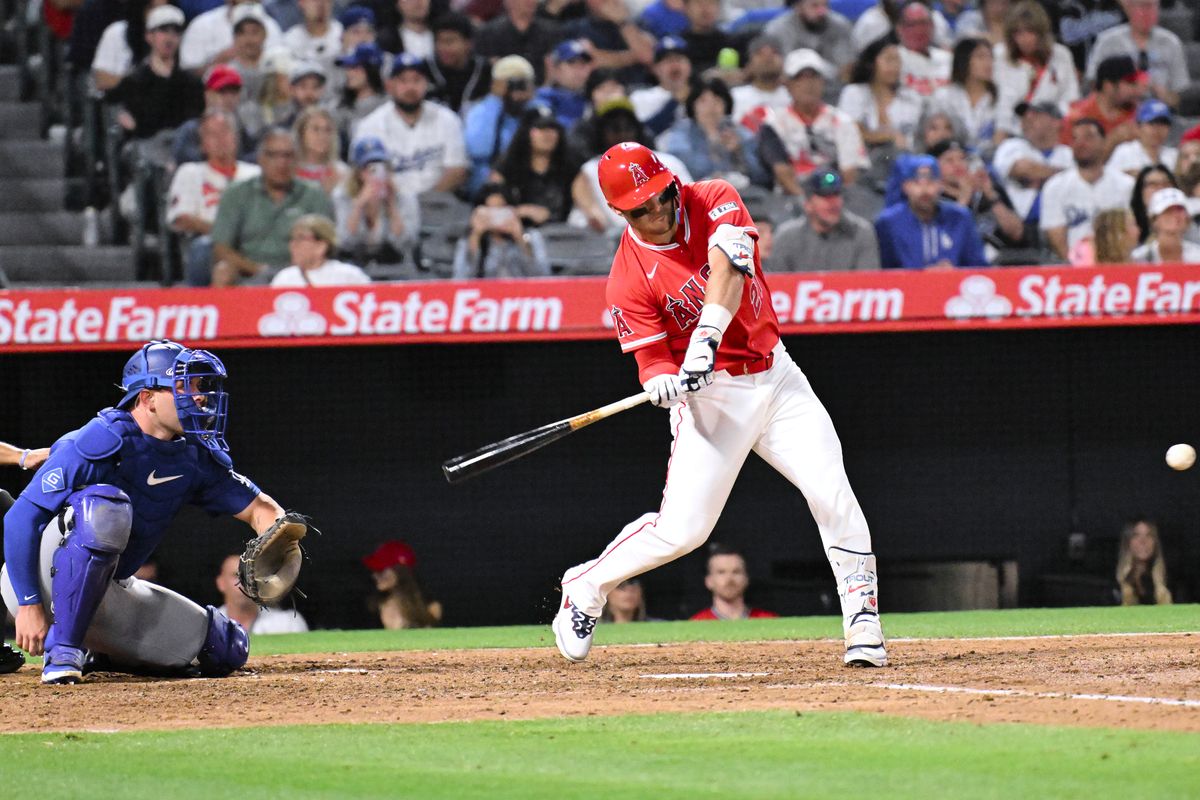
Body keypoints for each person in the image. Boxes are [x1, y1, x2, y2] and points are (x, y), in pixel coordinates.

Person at [550, 142, 887, 668]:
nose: (658, 211)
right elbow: (652, 361)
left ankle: (862, 621)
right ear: (620, 212)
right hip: (711, 400)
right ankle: (586, 585)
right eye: (641, 208)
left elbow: (729, 269)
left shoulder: (714, 197)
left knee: (831, 491)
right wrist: (664, 383)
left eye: (660, 195)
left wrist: (705, 338)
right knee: (683, 531)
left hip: (776, 377)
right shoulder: (628, 278)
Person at [1, 339, 296, 683]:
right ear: (147, 398)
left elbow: (259, 508)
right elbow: (21, 518)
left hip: (110, 589)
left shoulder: (194, 456)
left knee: (226, 647)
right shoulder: (100, 438)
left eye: (201, 386)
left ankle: (102, 651)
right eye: (186, 386)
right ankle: (63, 649)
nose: (200, 396)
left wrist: (278, 538)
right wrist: (28, 604)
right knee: (105, 507)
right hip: (42, 580)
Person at [210, 127, 336, 286]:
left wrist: (294, 273)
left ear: (297, 159)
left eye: (287, 156)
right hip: (249, 274)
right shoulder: (236, 194)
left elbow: (326, 244)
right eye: (273, 155)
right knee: (223, 270)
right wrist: (257, 269)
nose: (281, 163)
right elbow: (221, 248)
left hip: (302, 273)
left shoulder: (314, 195)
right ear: (260, 159)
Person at [752, 48, 870, 195]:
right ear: (788, 84)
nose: (808, 84)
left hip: (837, 196)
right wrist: (807, 202)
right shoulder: (773, 124)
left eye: (814, 77)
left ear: (822, 82)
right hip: (790, 200)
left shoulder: (843, 121)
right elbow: (782, 171)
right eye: (800, 78)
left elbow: (849, 173)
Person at [352, 53, 468, 198]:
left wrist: (427, 200)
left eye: (416, 80)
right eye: (403, 81)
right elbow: (363, 175)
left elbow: (456, 170)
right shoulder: (370, 125)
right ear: (390, 85)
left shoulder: (447, 119)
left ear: (426, 83)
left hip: (439, 203)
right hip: (389, 204)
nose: (410, 87)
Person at [168, 109, 262, 286]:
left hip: (255, 243)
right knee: (203, 249)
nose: (220, 138)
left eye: (225, 131)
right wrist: (225, 234)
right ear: (202, 144)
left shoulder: (256, 173)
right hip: (210, 244)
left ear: (235, 138)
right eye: (212, 134)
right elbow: (182, 219)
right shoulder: (190, 172)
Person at [1040, 118, 1136, 263]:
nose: (1081, 143)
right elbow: (1056, 236)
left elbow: (1132, 232)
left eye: (1088, 137)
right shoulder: (1055, 186)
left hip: (1118, 264)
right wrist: (1077, 267)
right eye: (1075, 138)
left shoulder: (1126, 185)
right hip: (1071, 266)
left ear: (1104, 142)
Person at [107, 4, 205, 140]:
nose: (170, 38)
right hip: (145, 148)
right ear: (149, 36)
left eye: (176, 31)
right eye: (163, 30)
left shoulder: (191, 83)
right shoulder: (134, 82)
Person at [876, 154, 987, 269]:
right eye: (917, 183)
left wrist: (955, 272)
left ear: (940, 185)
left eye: (931, 182)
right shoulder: (889, 222)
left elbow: (979, 267)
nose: (925, 190)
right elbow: (881, 271)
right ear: (905, 187)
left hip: (953, 285)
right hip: (907, 286)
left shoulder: (960, 218)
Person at [992, 0, 1079, 138]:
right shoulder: (1000, 55)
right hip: (1009, 130)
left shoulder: (1061, 55)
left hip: (1052, 129)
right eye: (1018, 33)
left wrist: (1046, 120)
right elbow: (1001, 100)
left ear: (1041, 32)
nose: (1024, 39)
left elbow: (1070, 98)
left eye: (1030, 31)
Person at [659, 77, 765, 188]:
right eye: (703, 101)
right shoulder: (681, 132)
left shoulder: (740, 132)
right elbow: (679, 165)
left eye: (717, 100)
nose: (711, 107)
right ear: (693, 105)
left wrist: (738, 152)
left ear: (726, 104)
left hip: (743, 196)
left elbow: (761, 176)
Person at [1086, 0, 1189, 111]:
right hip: (1117, 112)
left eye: (1152, 7)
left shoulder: (1171, 42)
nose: (1147, 13)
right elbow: (1094, 85)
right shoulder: (1107, 41)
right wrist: (1128, 91)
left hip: (1160, 115)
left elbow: (1177, 99)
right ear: (1128, 9)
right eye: (1141, 6)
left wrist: (1155, 89)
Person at [771, 167, 880, 271]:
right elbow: (775, 284)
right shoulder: (787, 237)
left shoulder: (861, 233)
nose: (833, 203)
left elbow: (866, 284)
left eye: (836, 195)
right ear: (807, 204)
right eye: (825, 197)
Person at [333, 136, 419, 263]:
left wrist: (391, 204)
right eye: (369, 169)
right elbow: (344, 241)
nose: (376, 175)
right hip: (353, 261)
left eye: (381, 167)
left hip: (394, 262)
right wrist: (358, 205)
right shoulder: (343, 195)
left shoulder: (405, 195)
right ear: (359, 172)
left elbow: (406, 242)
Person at [991, 100, 1074, 229]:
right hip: (1021, 225)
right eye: (1024, 116)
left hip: (1065, 221)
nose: (1027, 119)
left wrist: (1041, 176)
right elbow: (1022, 169)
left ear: (1056, 122)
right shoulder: (1011, 145)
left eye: (1036, 115)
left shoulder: (1069, 154)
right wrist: (1065, 175)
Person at [492, 105, 579, 227]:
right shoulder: (508, 166)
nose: (548, 134)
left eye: (553, 129)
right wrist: (521, 211)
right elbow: (493, 201)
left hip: (562, 233)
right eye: (541, 128)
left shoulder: (570, 168)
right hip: (516, 231)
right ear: (526, 132)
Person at [838, 35, 926, 154]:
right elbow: (849, 132)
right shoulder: (854, 93)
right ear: (872, 63)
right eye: (889, 60)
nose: (895, 66)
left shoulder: (912, 97)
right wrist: (887, 137)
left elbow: (918, 136)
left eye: (898, 60)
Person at [463, 55, 536, 197]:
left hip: (527, 180)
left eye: (522, 83)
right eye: (511, 83)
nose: (516, 90)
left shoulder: (536, 109)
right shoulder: (480, 110)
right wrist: (497, 100)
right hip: (487, 185)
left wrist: (529, 99)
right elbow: (478, 149)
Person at [452, 182, 551, 279]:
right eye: (491, 211)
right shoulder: (468, 240)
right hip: (486, 293)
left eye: (501, 210)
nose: (496, 216)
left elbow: (543, 277)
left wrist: (520, 238)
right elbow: (460, 279)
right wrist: (475, 236)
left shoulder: (531, 236)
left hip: (521, 293)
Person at [1060, 55, 1147, 159]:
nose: (1137, 90)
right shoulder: (1077, 116)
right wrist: (1113, 141)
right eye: (1130, 83)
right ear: (1108, 86)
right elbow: (1075, 165)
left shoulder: (1140, 114)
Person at [931, 37, 998, 153]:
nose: (988, 63)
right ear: (964, 60)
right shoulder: (943, 96)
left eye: (990, 58)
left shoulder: (1000, 98)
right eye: (980, 57)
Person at [214, 553, 309, 634]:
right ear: (221, 583)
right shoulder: (208, 625)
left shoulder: (288, 624)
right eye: (236, 575)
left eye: (250, 575)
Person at [762, 0, 856, 80]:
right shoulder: (777, 30)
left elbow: (846, 69)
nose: (822, 12)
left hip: (834, 88)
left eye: (825, 5)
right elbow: (779, 70)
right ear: (798, 7)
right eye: (814, 6)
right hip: (793, 86)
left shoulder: (840, 26)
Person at [475, 0, 561, 86]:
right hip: (501, 91)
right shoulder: (489, 32)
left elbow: (555, 66)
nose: (530, 2)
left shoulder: (551, 31)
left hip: (542, 92)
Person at [180, 0, 282, 73]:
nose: (249, 39)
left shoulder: (271, 26)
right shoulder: (201, 24)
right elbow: (187, 75)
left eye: (254, 32)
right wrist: (217, 63)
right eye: (241, 32)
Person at [271, 213, 371, 286]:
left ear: (321, 246)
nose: (293, 244)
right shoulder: (285, 278)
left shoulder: (348, 275)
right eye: (292, 239)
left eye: (300, 238)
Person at [362, 539, 442, 629]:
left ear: (401, 571)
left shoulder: (431, 607)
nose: (375, 575)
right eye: (375, 570)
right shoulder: (376, 606)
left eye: (381, 570)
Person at [689, 544, 778, 620]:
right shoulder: (697, 623)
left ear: (746, 578)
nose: (729, 579)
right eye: (721, 572)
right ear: (708, 581)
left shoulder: (768, 620)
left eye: (736, 572)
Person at [427, 13, 491, 115]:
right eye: (439, 41)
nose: (443, 48)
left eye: (449, 41)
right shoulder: (425, 70)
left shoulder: (486, 71)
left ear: (468, 43)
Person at [629, 36, 692, 140]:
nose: (675, 66)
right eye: (668, 61)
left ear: (689, 66)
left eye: (679, 59)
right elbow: (644, 134)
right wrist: (674, 102)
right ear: (655, 69)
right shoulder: (639, 98)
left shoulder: (702, 96)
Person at [894, 0, 951, 98]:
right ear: (899, 29)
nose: (919, 30)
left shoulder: (948, 58)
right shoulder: (892, 60)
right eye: (912, 24)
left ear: (933, 26)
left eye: (923, 23)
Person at [729, 34, 789, 126]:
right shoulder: (734, 96)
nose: (767, 58)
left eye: (774, 52)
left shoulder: (794, 97)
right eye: (760, 53)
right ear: (749, 64)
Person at [1107, 98, 1177, 177]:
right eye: (1152, 123)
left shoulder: (1174, 155)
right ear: (1138, 127)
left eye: (1163, 124)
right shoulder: (1124, 152)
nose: (1158, 129)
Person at [1131, 187, 1200, 264]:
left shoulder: (1197, 256)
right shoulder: (1139, 258)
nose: (1175, 215)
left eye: (1180, 209)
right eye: (1167, 211)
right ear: (1154, 219)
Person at [1114, 519, 1175, 605]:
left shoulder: (1170, 580)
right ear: (1127, 542)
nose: (1143, 541)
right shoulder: (1113, 581)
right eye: (1136, 535)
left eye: (1149, 535)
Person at [333, 42, 387, 139]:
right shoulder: (340, 107)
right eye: (348, 68)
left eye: (355, 68)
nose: (349, 73)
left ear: (371, 70)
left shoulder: (388, 104)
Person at [293, 106, 348, 194]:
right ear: (301, 134)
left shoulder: (341, 172)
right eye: (315, 129)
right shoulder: (288, 170)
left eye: (327, 130)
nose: (322, 136)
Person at [282, 0, 341, 75]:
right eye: (315, 0)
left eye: (327, 1)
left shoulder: (343, 35)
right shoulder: (290, 41)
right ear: (301, 2)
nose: (321, 4)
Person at [1130, 163, 1181, 244]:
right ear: (1140, 191)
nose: (1160, 189)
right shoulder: (1130, 224)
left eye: (1166, 184)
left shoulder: (1185, 221)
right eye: (1153, 185)